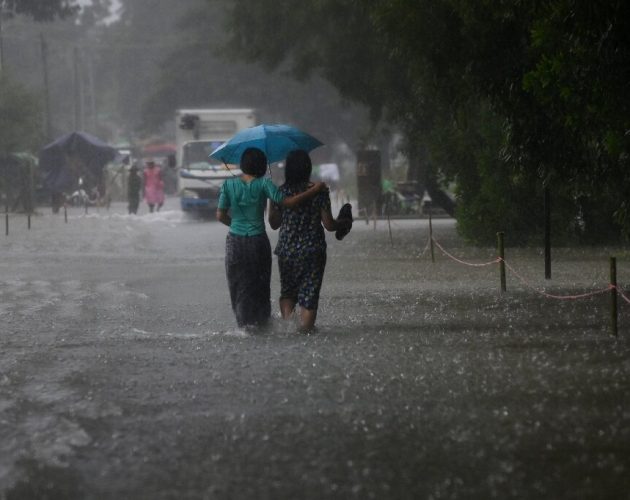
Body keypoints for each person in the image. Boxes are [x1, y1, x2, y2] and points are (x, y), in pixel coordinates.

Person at [216, 147, 326, 329]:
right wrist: (315, 190)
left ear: (243, 165)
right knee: (260, 285)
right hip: (258, 241)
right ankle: (262, 324)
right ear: (261, 165)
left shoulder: (228, 185)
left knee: (238, 284)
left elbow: (220, 215)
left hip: (234, 242)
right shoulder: (264, 184)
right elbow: (288, 203)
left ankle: (244, 325)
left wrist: (236, 226)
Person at [268, 149, 352, 331]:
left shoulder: (280, 192)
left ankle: (289, 330)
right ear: (308, 168)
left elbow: (274, 224)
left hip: (287, 251)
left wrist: (272, 203)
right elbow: (329, 224)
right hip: (313, 251)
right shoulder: (319, 191)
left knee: (288, 292)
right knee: (309, 295)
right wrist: (344, 223)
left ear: (287, 170)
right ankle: (305, 331)